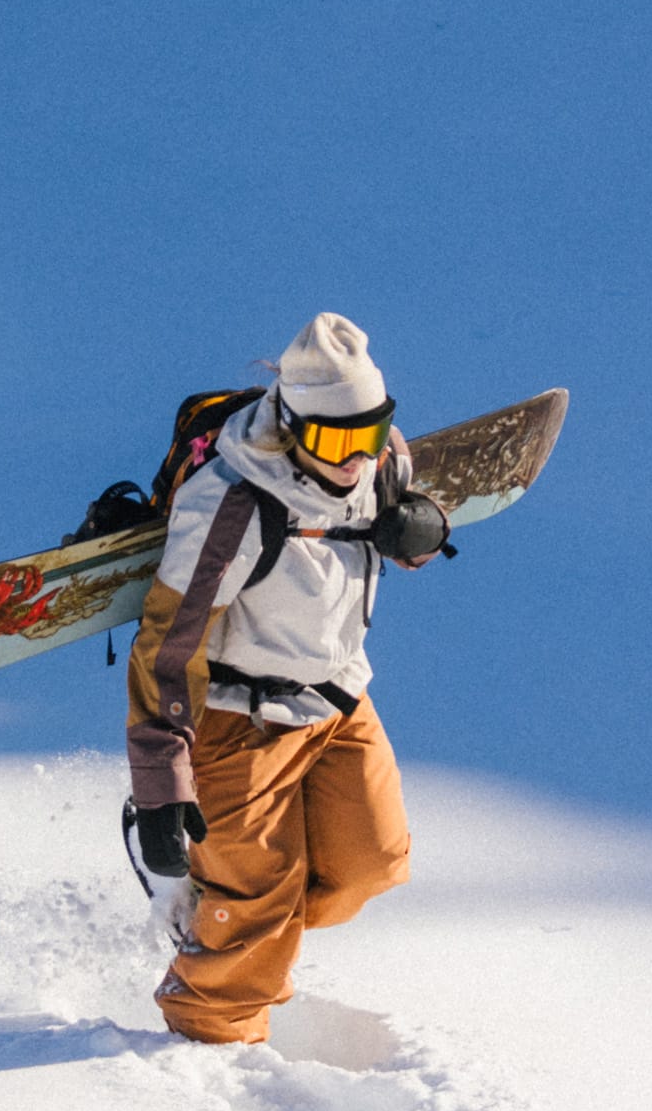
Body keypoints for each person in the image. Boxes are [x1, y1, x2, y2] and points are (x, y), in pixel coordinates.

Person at [125, 312, 442, 1045]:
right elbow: (168, 648)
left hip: (338, 701)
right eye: (335, 442)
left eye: (368, 435)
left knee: (371, 863)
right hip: (240, 722)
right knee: (259, 909)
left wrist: (420, 528)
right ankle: (204, 1055)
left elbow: (380, 527)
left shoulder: (377, 459)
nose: (353, 461)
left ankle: (214, 897)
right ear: (294, 427)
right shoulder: (231, 503)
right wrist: (160, 789)